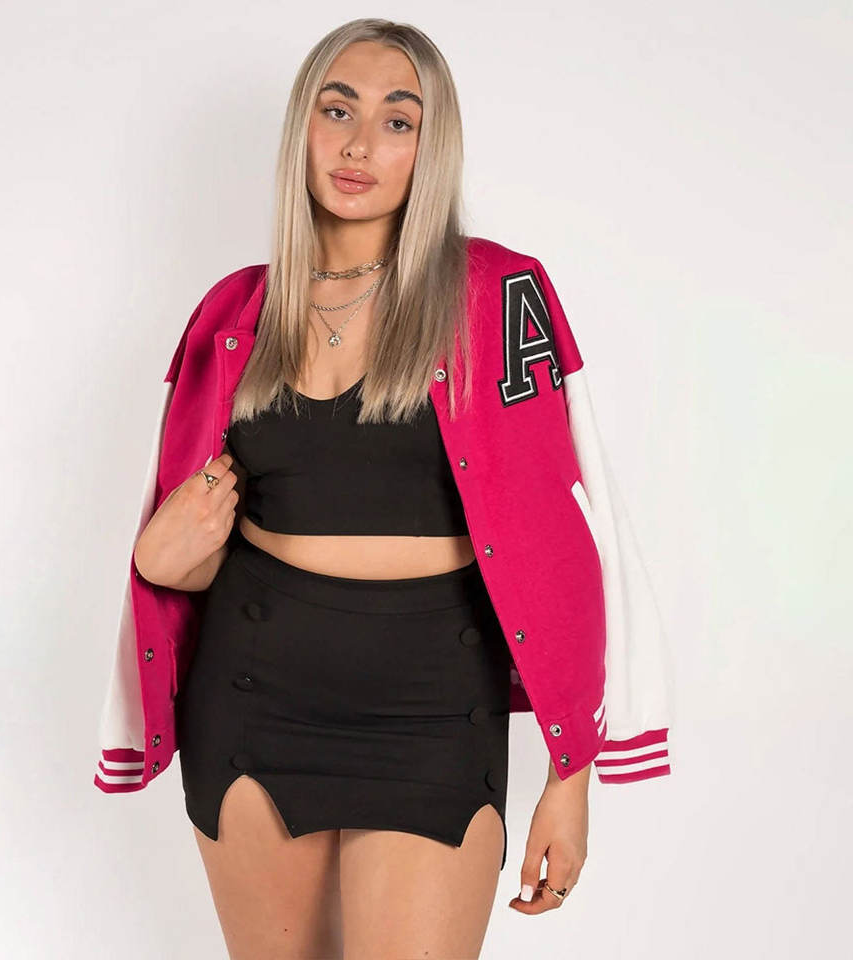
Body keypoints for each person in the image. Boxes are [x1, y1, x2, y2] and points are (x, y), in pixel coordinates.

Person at [95, 18, 674, 960]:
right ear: (303, 127)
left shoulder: (499, 294)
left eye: (398, 121)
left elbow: (565, 525)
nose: (361, 144)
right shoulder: (233, 312)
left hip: (435, 705)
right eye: (338, 111)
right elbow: (192, 535)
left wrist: (571, 773)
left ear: (430, 149)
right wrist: (158, 559)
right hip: (253, 690)